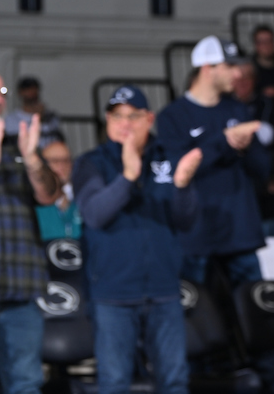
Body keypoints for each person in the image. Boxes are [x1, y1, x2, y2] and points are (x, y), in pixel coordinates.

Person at [73, 85, 202, 394]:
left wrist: (183, 186)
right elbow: (95, 214)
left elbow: (185, 220)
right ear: (106, 120)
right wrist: (128, 177)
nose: (125, 124)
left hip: (163, 290)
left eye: (133, 116)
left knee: (174, 381)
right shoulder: (92, 163)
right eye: (117, 116)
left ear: (149, 119)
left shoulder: (169, 158)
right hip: (113, 294)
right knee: (115, 383)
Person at [156, 36, 270, 285]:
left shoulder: (237, 109)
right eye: (229, 66)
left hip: (240, 233)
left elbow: (264, 168)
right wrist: (224, 142)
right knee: (199, 316)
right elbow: (180, 169)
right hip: (198, 235)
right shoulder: (172, 116)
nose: (238, 73)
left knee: (255, 313)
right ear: (207, 69)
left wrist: (247, 146)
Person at [0, 70, 59, 394]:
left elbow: (48, 196)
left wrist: (32, 157)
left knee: (27, 383)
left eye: (1, 91)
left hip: (20, 288)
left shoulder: (18, 148)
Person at [36, 135, 80, 240]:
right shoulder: (33, 199)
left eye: (66, 160)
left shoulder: (83, 195)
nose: (61, 165)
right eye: (55, 161)